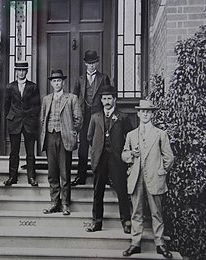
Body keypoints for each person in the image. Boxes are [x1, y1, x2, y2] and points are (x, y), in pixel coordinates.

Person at [121, 100, 174, 258]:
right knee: (136, 212)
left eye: (148, 111)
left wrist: (162, 170)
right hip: (136, 177)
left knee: (156, 212)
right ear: (138, 113)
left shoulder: (160, 134)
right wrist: (131, 155)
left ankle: (160, 244)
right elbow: (124, 154)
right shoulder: (131, 135)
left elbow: (169, 157)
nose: (145, 114)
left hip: (154, 177)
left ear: (152, 114)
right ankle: (135, 243)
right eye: (142, 111)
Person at [85, 85, 132, 234]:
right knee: (98, 192)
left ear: (114, 100)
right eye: (104, 98)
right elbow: (89, 137)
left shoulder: (122, 117)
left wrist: (123, 153)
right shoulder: (95, 117)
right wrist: (96, 151)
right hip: (99, 159)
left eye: (109, 98)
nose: (106, 101)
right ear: (101, 100)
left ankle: (126, 221)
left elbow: (130, 137)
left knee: (122, 191)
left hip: (116, 159)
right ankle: (96, 222)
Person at [40, 69, 82, 215]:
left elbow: (78, 119)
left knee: (65, 171)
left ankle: (65, 203)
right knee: (52, 172)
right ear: (51, 83)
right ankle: (54, 202)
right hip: (50, 137)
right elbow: (42, 119)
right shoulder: (46, 99)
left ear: (63, 82)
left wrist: (71, 130)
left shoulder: (71, 98)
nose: (56, 83)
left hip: (64, 137)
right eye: (54, 81)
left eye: (59, 80)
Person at [71, 50, 111, 186]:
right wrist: (75, 117)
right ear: (85, 64)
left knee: (100, 145)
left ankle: (102, 176)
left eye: (94, 63)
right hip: (83, 116)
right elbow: (74, 98)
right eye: (89, 63)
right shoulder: (80, 79)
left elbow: (108, 96)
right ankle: (80, 176)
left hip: (98, 116)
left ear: (97, 63)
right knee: (82, 147)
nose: (92, 66)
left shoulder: (104, 78)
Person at [3, 61, 40, 187]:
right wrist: (12, 117)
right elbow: (6, 105)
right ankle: (12, 177)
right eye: (19, 70)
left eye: (23, 70)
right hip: (15, 122)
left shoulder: (33, 87)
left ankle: (31, 177)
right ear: (16, 71)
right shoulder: (9, 87)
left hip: (29, 122)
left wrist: (31, 117)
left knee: (30, 152)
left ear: (27, 71)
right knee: (14, 151)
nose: (21, 72)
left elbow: (37, 106)